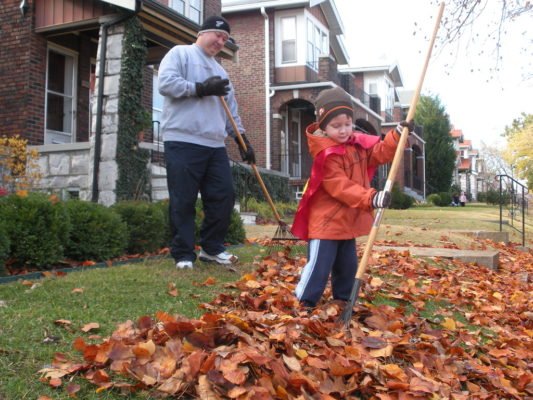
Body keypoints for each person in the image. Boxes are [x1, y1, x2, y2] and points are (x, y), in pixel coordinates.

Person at [291, 86, 413, 308]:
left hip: (347, 221)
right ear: (323, 126)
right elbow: (341, 187)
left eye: (347, 124)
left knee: (347, 266)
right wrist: (371, 198)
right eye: (336, 126)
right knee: (319, 265)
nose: (344, 130)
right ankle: (304, 301)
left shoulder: (356, 145)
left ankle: (343, 300)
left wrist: (396, 136)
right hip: (326, 223)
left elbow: (379, 153)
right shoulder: (325, 155)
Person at [158, 15, 255, 269]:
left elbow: (230, 111)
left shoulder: (221, 71)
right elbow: (166, 84)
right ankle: (183, 255)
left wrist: (242, 139)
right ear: (203, 33)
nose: (220, 41)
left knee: (223, 196)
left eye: (224, 39)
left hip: (214, 145)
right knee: (184, 199)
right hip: (182, 140)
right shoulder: (180, 54)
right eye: (217, 35)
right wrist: (200, 88)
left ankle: (211, 249)